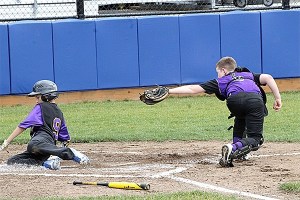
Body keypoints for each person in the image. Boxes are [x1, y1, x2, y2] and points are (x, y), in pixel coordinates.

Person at [167, 56, 282, 167]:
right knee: (256, 139)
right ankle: (233, 147)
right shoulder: (247, 75)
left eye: (218, 72)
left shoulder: (221, 81)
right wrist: (277, 98)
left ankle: (238, 152)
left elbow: (192, 89)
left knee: (240, 118)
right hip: (254, 100)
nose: (218, 75)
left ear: (223, 70)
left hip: (234, 102)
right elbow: (268, 77)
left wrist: (169, 91)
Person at [0, 80, 90, 170]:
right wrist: (61, 146)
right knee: (13, 161)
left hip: (40, 141)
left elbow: (23, 125)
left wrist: (7, 141)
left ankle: (70, 153)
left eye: (38, 97)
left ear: (46, 96)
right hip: (46, 147)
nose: (36, 101)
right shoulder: (59, 113)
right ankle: (47, 163)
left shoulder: (40, 107)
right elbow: (64, 137)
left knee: (32, 145)